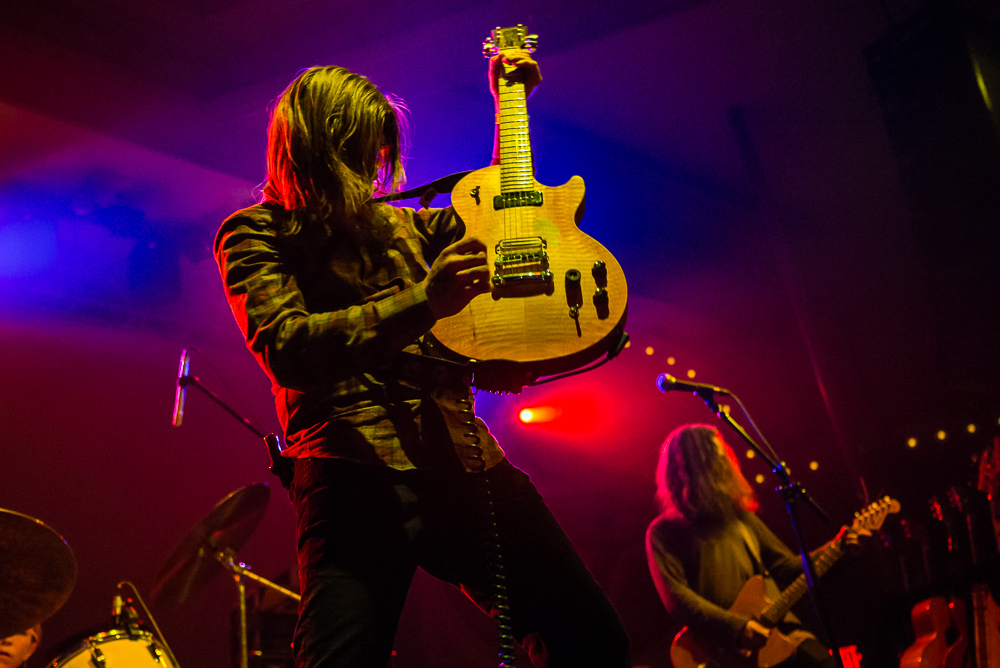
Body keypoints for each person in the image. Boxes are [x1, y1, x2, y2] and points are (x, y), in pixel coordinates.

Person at [214, 49, 630, 668]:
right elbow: (289, 347)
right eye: (360, 150)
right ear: (317, 146)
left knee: (592, 638)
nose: (375, 168)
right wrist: (423, 301)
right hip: (351, 478)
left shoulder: (410, 228)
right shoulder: (255, 233)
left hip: (463, 462)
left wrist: (508, 106)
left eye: (379, 151)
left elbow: (504, 223)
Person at [646, 424, 861, 668]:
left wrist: (836, 549)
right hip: (722, 652)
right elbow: (678, 599)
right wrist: (736, 627)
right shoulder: (664, 532)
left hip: (780, 631)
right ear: (698, 464)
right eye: (718, 454)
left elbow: (786, 567)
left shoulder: (740, 517)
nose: (727, 460)